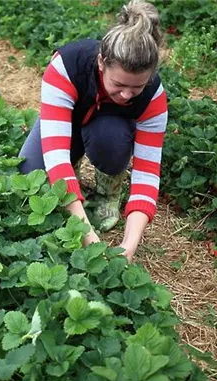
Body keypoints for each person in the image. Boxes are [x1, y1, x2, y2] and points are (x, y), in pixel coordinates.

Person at [18, 0, 168, 261]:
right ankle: (72, 183)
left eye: (137, 88)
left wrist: (129, 245)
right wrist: (88, 235)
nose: (126, 94)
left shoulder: (154, 97)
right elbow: (55, 156)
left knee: (110, 136)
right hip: (69, 123)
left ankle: (108, 194)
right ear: (101, 62)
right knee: (30, 172)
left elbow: (147, 174)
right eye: (119, 84)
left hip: (109, 132)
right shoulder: (66, 65)